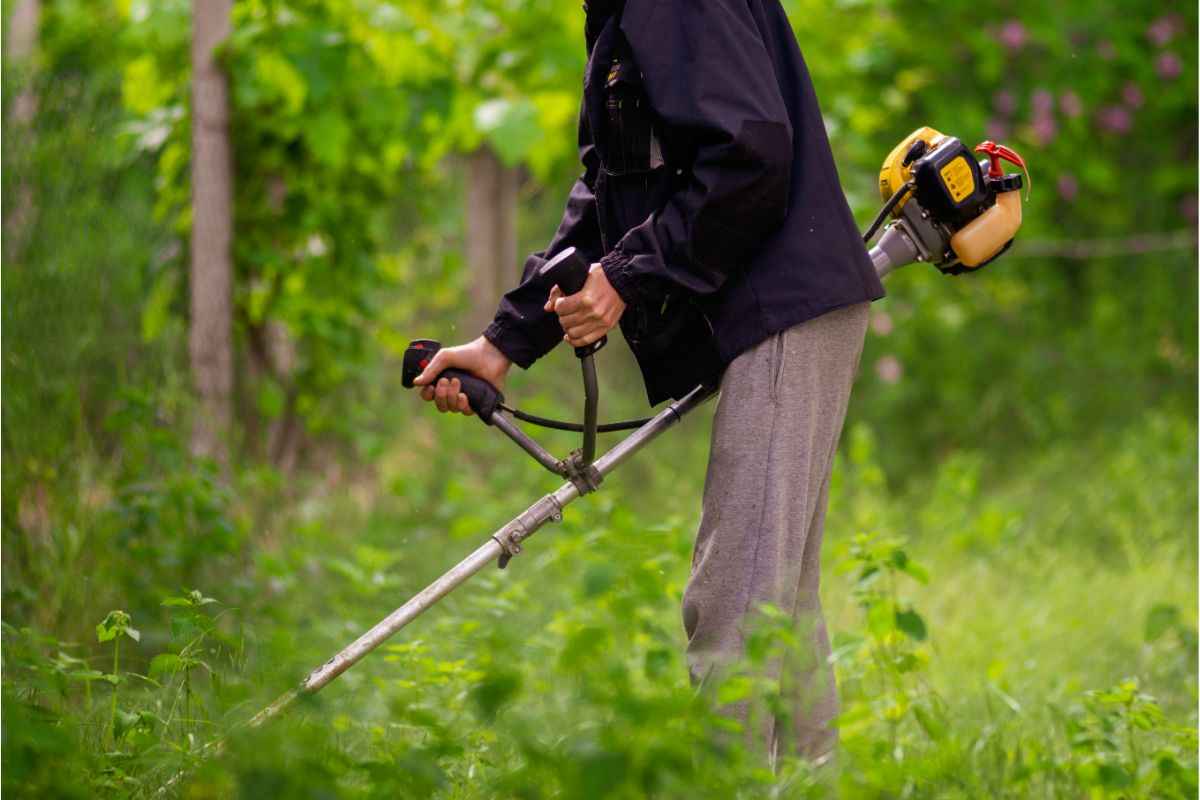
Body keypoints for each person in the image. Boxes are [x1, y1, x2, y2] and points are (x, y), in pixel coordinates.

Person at [413, 0, 883, 767]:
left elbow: (752, 154)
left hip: (784, 309)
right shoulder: (623, 12)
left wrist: (628, 277)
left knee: (737, 606)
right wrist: (505, 341)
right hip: (778, 313)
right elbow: (612, 189)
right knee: (778, 608)